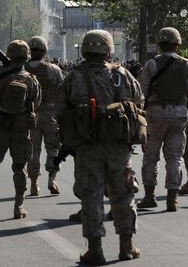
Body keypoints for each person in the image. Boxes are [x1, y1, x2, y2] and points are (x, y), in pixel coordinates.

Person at [55, 30, 144, 265]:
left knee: (92, 196)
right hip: (119, 146)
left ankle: (95, 250)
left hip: (88, 146)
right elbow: (138, 102)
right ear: (108, 50)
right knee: (124, 194)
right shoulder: (123, 75)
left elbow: (60, 110)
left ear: (84, 50)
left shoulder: (74, 77)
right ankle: (127, 246)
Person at [137, 27, 188, 212]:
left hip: (155, 115)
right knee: (174, 158)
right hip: (179, 114)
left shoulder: (151, 64)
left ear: (159, 45)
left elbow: (141, 92)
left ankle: (149, 196)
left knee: (151, 157)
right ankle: (172, 200)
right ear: (178, 45)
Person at [0, 40, 40, 220]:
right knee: (20, 167)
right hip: (20, 129)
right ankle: (18, 206)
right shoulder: (31, 79)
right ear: (26, 57)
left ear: (9, 55)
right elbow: (37, 102)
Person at [24, 36, 65, 196]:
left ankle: (34, 184)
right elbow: (63, 91)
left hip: (31, 114)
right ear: (44, 51)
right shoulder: (53, 69)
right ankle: (52, 179)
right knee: (53, 148)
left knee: (33, 151)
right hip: (51, 114)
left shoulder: (23, 69)